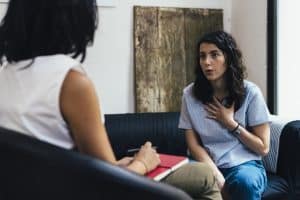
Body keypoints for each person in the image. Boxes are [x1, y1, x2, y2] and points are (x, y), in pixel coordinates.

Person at [0, 0, 222, 199]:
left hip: (44, 188)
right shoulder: (70, 82)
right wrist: (143, 162)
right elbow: (106, 184)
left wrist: (117, 164)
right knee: (204, 176)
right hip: (79, 190)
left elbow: (71, 162)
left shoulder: (5, 74)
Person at [179, 30, 270, 200]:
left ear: (228, 58)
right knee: (178, 183)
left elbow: (263, 148)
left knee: (245, 182)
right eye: (202, 56)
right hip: (204, 163)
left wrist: (230, 123)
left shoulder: (251, 93)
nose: (207, 62)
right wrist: (214, 173)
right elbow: (193, 144)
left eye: (214, 55)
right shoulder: (189, 95)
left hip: (244, 164)